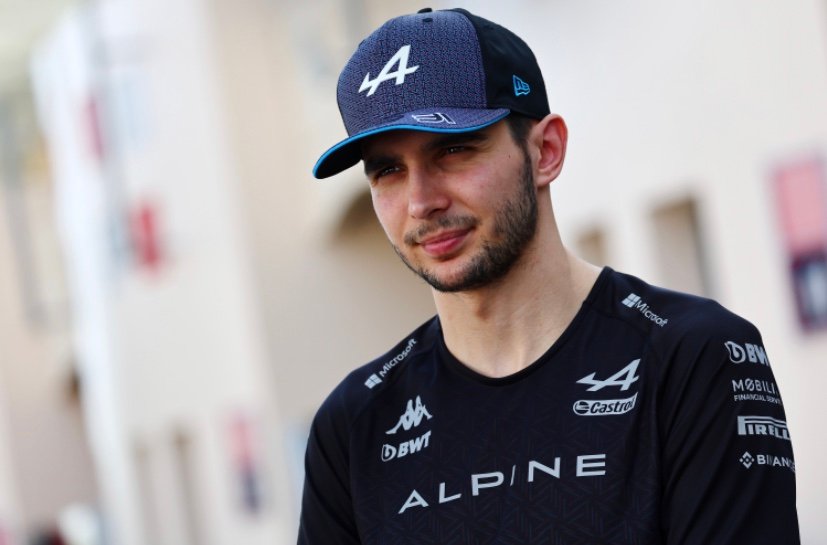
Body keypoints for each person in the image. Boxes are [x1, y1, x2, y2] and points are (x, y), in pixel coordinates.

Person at [299, 7, 800, 544]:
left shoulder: (690, 358)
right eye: (388, 170)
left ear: (546, 151)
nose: (421, 202)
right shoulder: (354, 425)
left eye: (453, 149)